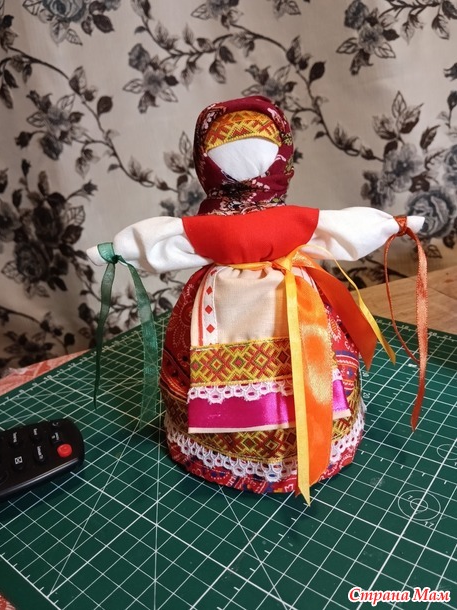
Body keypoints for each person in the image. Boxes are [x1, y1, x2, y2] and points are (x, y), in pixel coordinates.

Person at [88, 96, 424, 501]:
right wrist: (396, 224)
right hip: (249, 297)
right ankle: (230, 442)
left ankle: (297, 441)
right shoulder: (216, 227)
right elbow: (168, 238)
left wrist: (394, 225)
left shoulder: (263, 222)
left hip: (272, 296)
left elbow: (164, 240)